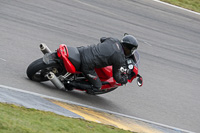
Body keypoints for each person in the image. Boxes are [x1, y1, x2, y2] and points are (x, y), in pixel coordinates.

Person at [65, 34, 138, 94]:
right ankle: (69, 84)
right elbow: (116, 76)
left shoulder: (113, 40)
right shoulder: (119, 58)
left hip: (83, 50)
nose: (131, 52)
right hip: (87, 64)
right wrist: (123, 80)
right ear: (128, 48)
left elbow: (102, 39)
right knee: (97, 86)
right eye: (132, 50)